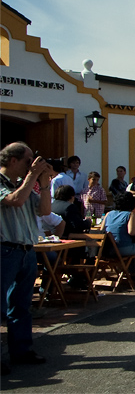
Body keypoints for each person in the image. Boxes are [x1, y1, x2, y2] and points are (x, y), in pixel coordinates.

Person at [0, 142, 52, 373]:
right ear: (13, 160)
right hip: (5, 250)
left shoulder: (23, 184)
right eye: (28, 159)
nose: (32, 164)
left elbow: (45, 211)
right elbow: (15, 201)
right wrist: (32, 175)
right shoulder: (4, 184)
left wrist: (45, 184)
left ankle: (21, 350)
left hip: (25, 251)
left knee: (21, 305)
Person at [99, 192, 135, 283]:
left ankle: (131, 272)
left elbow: (101, 230)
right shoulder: (130, 214)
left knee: (134, 248)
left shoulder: (108, 214)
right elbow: (131, 232)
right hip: (123, 248)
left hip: (108, 248)